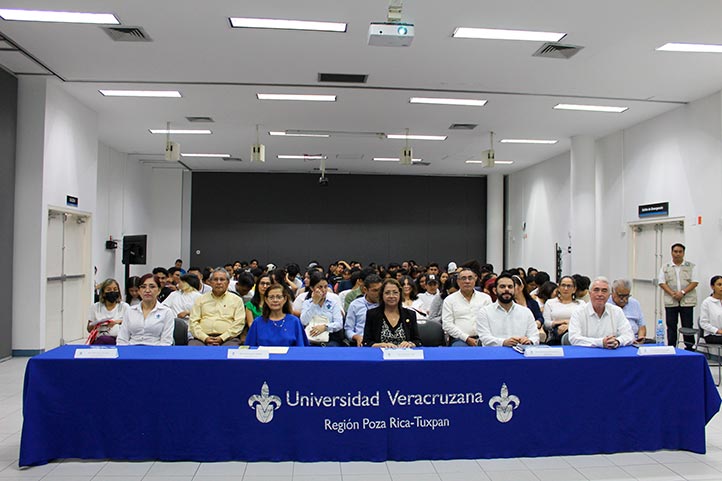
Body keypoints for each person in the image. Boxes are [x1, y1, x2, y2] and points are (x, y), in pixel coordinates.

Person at [568, 277, 634, 348]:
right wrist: (601, 343)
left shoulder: (617, 311)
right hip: (586, 355)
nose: (600, 294)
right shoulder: (578, 312)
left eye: (604, 291)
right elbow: (574, 338)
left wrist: (617, 341)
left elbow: (629, 335)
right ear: (590, 293)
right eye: (596, 290)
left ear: (609, 295)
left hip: (611, 354)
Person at [477, 274, 539, 347]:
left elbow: (535, 336)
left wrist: (529, 341)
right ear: (495, 290)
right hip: (494, 354)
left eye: (510, 287)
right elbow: (484, 338)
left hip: (520, 354)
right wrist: (504, 342)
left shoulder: (526, 312)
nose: (507, 289)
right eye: (502, 287)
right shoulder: (485, 312)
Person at [188, 268, 245, 346]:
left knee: (229, 351)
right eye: (215, 279)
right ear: (210, 282)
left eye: (222, 279)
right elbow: (193, 322)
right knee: (193, 350)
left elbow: (239, 323)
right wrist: (204, 338)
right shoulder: (200, 299)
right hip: (201, 339)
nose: (218, 282)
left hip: (228, 339)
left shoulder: (237, 300)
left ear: (228, 282)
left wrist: (222, 338)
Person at [658, 243, 698, 348]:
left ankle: (689, 348)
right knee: (671, 326)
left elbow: (694, 282)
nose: (678, 254)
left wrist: (683, 292)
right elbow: (662, 282)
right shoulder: (665, 267)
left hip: (687, 300)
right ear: (672, 253)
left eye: (680, 252)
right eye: (675, 251)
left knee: (688, 326)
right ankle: (672, 347)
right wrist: (672, 293)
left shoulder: (691, 266)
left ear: (683, 253)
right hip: (671, 301)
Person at [117, 273, 175, 346]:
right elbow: (122, 339)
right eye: (143, 287)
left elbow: (166, 342)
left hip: (155, 352)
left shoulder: (166, 312)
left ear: (159, 290)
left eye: (152, 287)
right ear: (139, 291)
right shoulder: (130, 311)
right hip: (131, 350)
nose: (147, 290)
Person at [363, 278, 421, 348]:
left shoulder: (410, 314)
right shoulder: (372, 314)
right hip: (380, 355)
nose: (391, 296)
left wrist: (410, 344)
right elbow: (366, 342)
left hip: (404, 355)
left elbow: (417, 341)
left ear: (400, 294)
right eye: (387, 293)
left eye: (395, 292)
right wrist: (380, 345)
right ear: (382, 295)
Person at [245, 284, 309, 347]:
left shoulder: (294, 321)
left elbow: (301, 349)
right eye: (271, 297)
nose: (275, 300)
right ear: (266, 300)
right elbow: (249, 349)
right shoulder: (257, 322)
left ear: (285, 299)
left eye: (279, 297)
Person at [442, 267, 492, 346]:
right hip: (460, 340)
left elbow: (491, 320)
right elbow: (447, 325)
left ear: (475, 280)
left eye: (470, 278)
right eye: (463, 278)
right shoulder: (449, 300)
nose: (467, 281)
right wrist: (466, 338)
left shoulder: (485, 298)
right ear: (458, 282)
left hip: (483, 338)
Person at [300, 271, 344, 346]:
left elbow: (339, 324)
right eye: (320, 287)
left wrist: (325, 327)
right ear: (312, 288)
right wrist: (314, 304)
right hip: (311, 338)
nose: (323, 290)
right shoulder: (307, 303)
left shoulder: (333, 303)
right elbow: (303, 321)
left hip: (330, 339)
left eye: (326, 287)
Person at [543, 275, 585, 345]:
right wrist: (561, 322)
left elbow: (584, 322)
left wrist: (568, 326)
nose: (566, 288)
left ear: (574, 289)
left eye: (569, 286)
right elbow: (546, 323)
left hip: (575, 335)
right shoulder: (550, 303)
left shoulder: (581, 304)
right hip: (555, 336)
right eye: (563, 285)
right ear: (558, 288)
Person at [87, 278, 129, 345]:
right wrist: (96, 324)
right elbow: (89, 329)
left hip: (118, 340)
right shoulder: (95, 307)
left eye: (115, 289)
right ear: (103, 293)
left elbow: (130, 325)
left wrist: (117, 322)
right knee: (102, 340)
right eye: (109, 290)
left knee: (105, 340)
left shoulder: (125, 307)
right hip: (99, 338)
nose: (112, 292)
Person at [344, 274, 382, 346]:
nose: (379, 293)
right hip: (361, 342)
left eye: (381, 290)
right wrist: (356, 337)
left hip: (381, 343)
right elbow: (348, 329)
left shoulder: (386, 304)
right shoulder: (355, 305)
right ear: (365, 290)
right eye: (375, 290)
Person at [511, 274, 546, 343]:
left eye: (512, 286)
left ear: (521, 287)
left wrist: (538, 322)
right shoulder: (510, 304)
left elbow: (540, 317)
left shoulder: (532, 302)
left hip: (532, 330)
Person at [699, 275, 722, 344]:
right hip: (712, 334)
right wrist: (717, 331)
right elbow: (703, 323)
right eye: (719, 285)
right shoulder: (707, 303)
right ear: (712, 287)